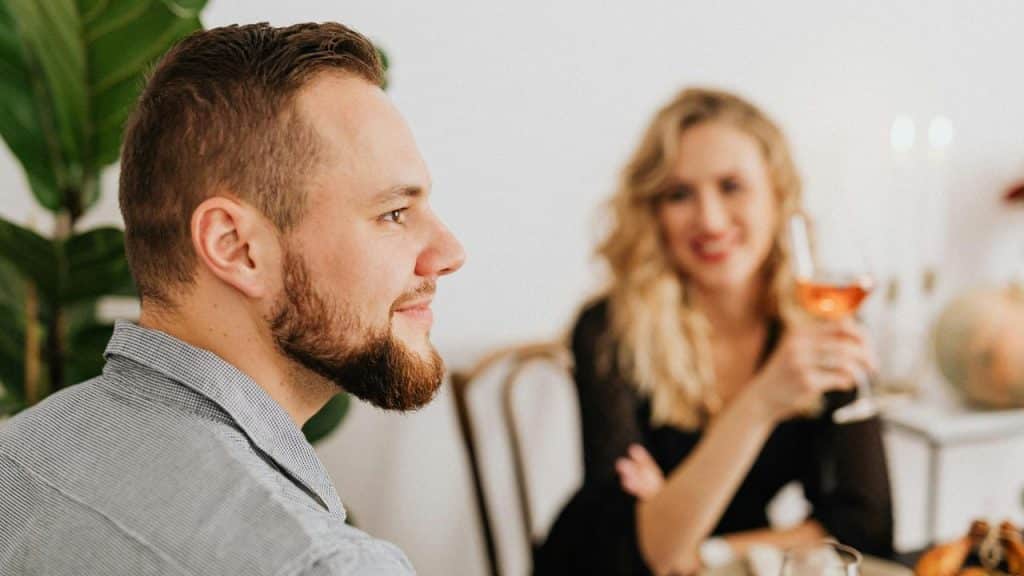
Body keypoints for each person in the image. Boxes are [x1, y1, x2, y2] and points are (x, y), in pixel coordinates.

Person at [0, 22, 464, 575]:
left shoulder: (17, 463)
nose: (449, 252)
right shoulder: (320, 565)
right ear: (237, 248)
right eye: (393, 214)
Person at [536, 88, 892, 575]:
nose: (709, 218)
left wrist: (700, 544)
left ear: (778, 194)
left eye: (731, 186)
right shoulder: (609, 330)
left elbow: (865, 527)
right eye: (679, 194)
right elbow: (646, 555)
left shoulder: (822, 325)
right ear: (654, 212)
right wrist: (764, 400)